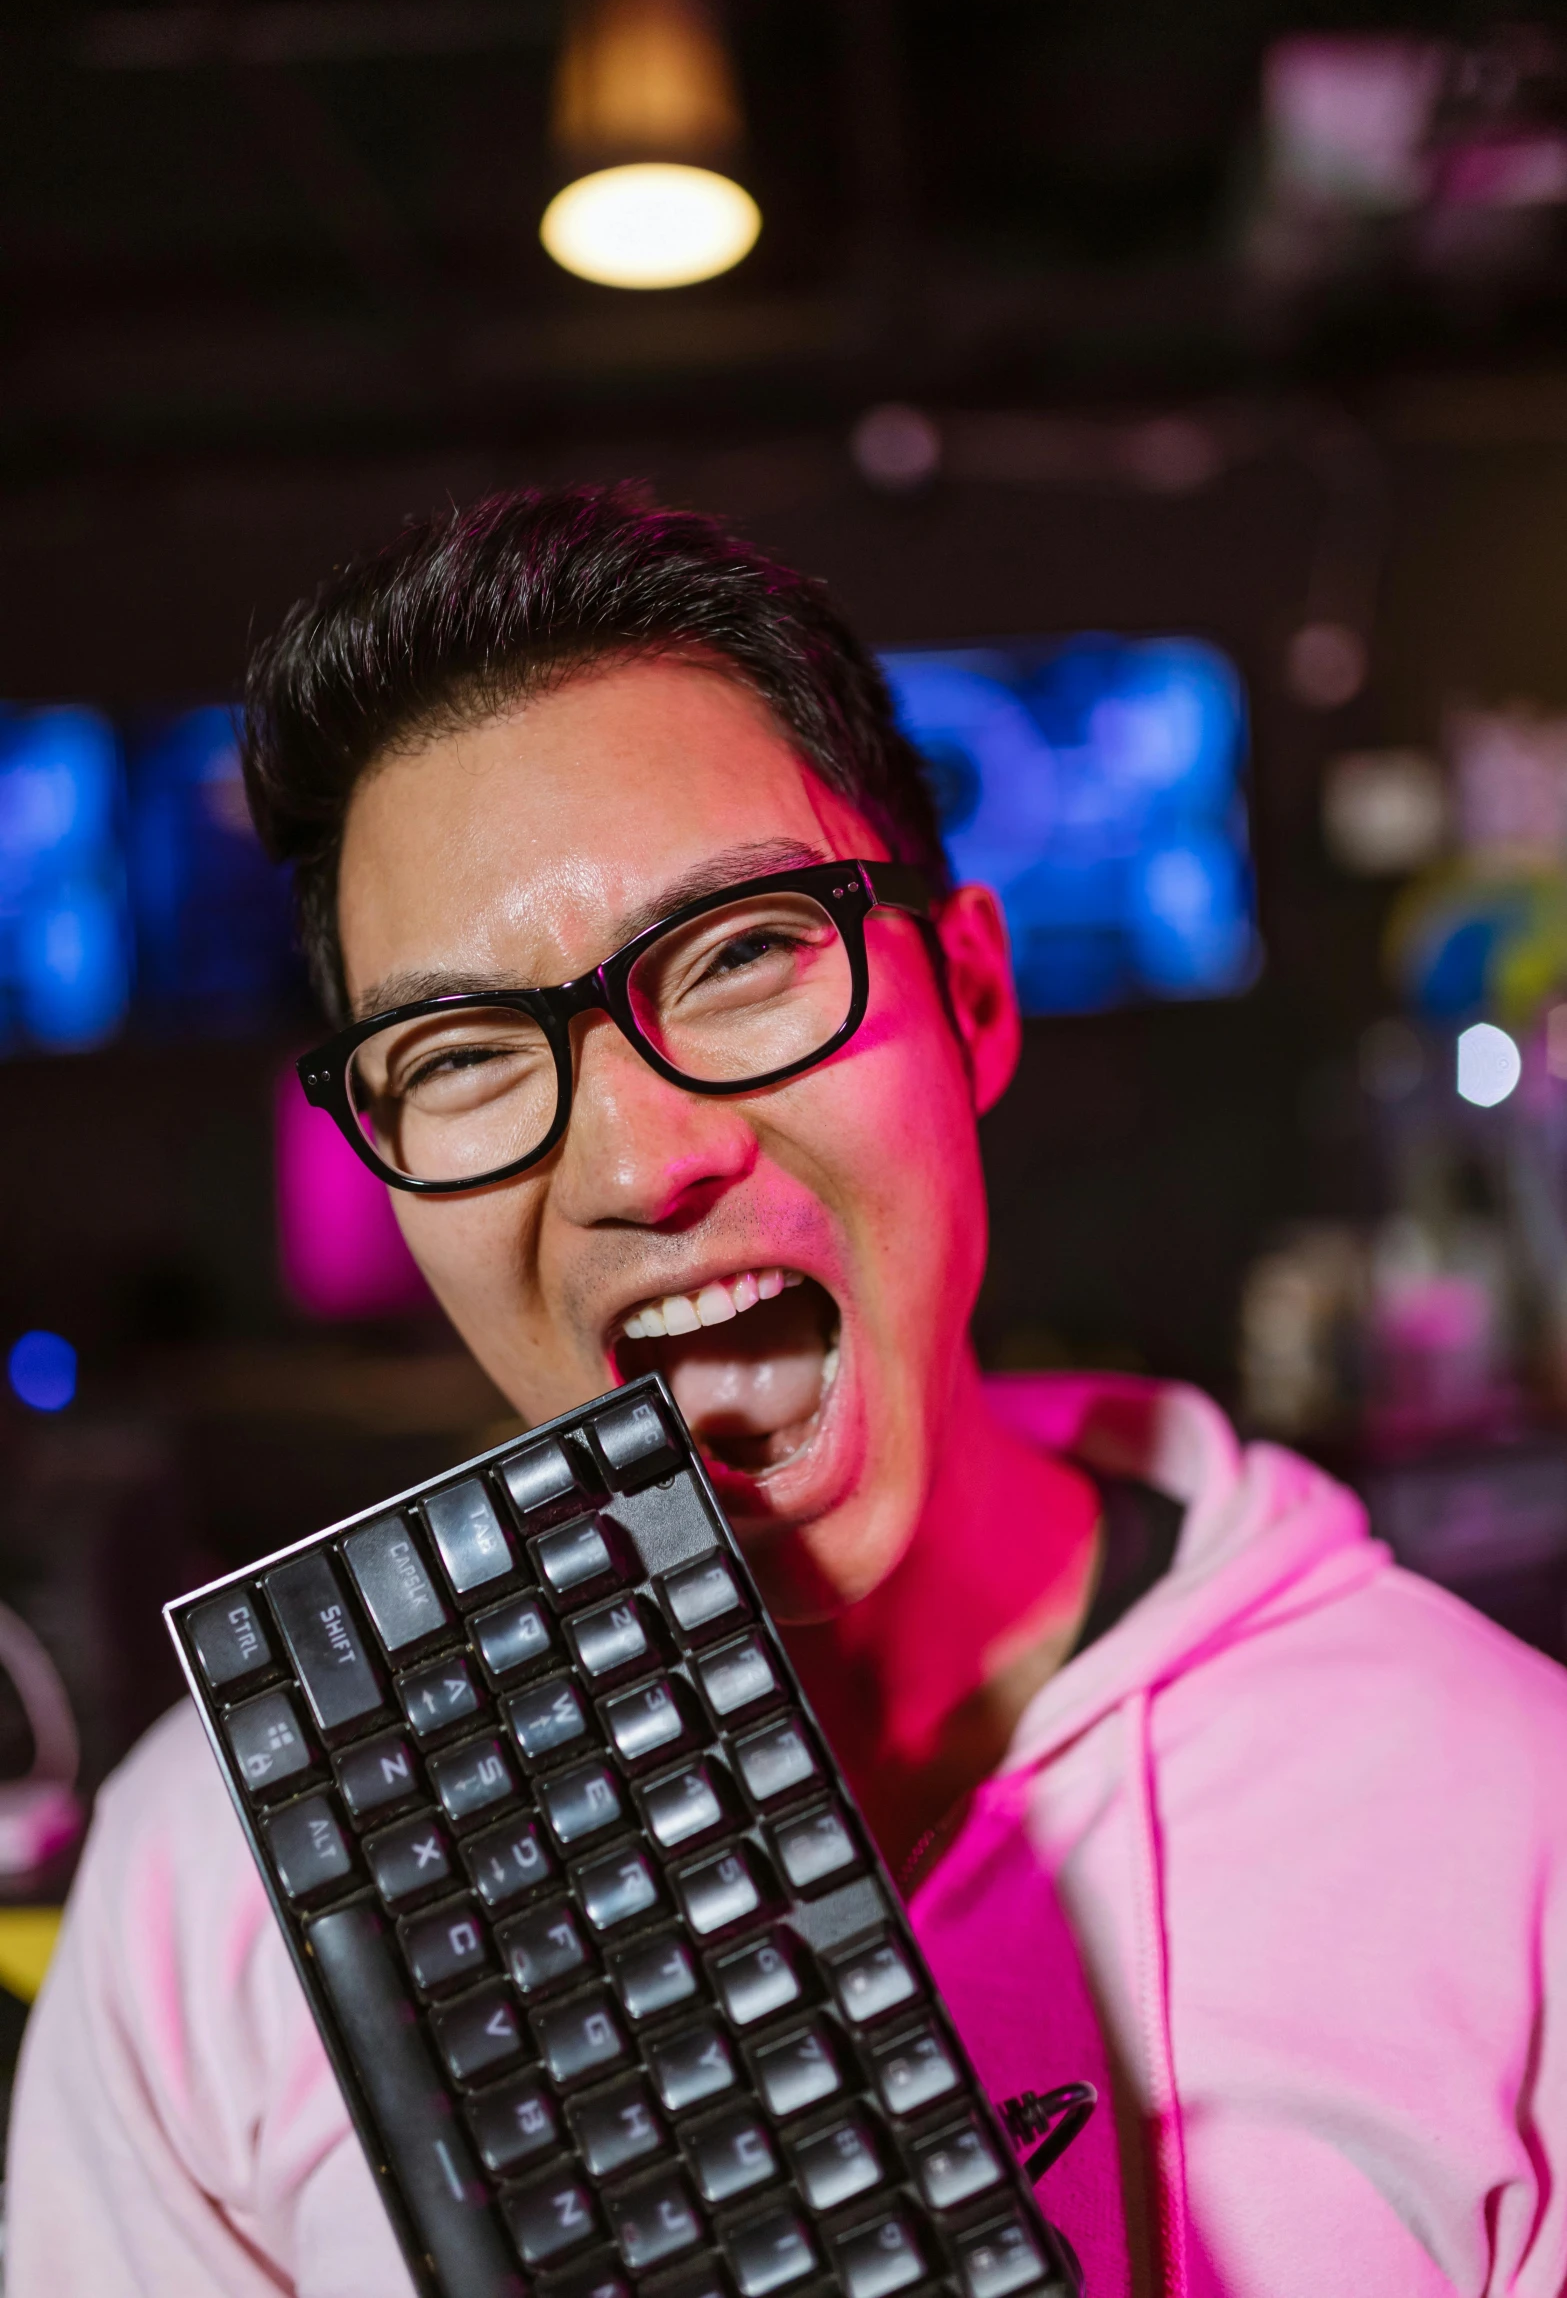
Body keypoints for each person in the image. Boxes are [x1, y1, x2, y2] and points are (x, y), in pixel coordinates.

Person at [10, 486, 1567, 2298]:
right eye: (460, 1056)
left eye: (741, 952)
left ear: (973, 996)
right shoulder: (210, 1887)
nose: (636, 1158)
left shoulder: (1501, 1815)